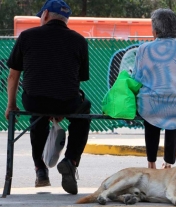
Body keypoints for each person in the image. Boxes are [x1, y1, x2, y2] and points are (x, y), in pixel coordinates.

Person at [5, 0, 91, 194]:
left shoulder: (26, 36)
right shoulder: (79, 40)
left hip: (34, 99)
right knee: (84, 108)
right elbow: (78, 78)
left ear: (44, 15)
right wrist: (61, 105)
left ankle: (41, 170)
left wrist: (11, 105)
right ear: (65, 19)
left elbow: (13, 75)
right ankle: (71, 160)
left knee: (38, 116)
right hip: (67, 101)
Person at [131, 8, 176, 169]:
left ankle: (151, 162)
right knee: (174, 117)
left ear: (155, 30)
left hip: (150, 106)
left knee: (151, 113)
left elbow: (136, 79)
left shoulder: (144, 49)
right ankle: (169, 162)